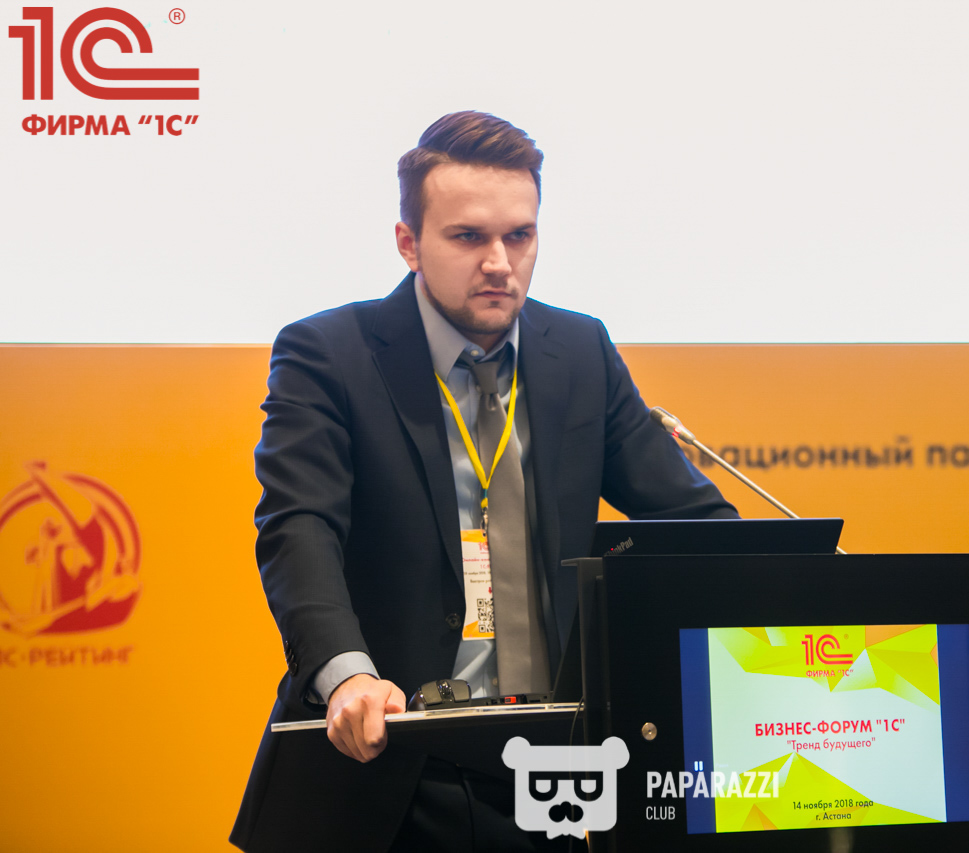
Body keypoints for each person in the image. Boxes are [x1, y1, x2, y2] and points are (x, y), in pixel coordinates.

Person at [230, 111, 737, 853]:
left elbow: (693, 523)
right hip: (388, 761)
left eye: (519, 236)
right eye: (468, 237)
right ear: (409, 243)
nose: (499, 262)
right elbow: (299, 528)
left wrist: (796, 598)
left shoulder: (581, 350)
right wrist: (347, 677)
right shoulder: (329, 354)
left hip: (553, 775)